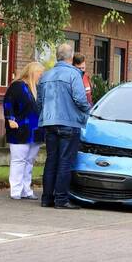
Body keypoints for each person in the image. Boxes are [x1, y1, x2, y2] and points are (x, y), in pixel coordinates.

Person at [37, 43, 92, 209]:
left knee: (51, 160)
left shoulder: (45, 75)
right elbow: (80, 99)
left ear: (57, 56)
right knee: (65, 161)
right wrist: (88, 111)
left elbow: (39, 102)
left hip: (49, 122)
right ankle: (61, 199)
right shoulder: (74, 74)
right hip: (69, 122)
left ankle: (47, 198)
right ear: (71, 56)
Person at [3, 61, 45, 200]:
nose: (41, 76)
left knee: (29, 161)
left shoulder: (37, 88)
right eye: (40, 73)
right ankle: (16, 190)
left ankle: (26, 189)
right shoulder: (17, 86)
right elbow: (8, 103)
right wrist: (10, 119)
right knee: (19, 160)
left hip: (35, 130)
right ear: (32, 72)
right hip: (20, 129)